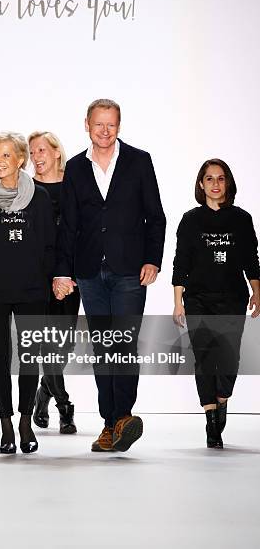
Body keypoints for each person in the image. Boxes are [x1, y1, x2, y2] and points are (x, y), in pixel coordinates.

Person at [54, 98, 166, 453]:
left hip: (131, 270)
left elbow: (156, 216)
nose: (105, 131)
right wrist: (63, 272)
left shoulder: (139, 161)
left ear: (120, 125)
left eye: (111, 125)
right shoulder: (74, 167)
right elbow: (68, 225)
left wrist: (153, 259)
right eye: (99, 124)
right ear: (86, 123)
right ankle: (111, 422)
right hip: (89, 272)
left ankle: (121, 416)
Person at [0, 132, 55, 454]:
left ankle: (25, 422)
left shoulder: (40, 198)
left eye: (6, 156)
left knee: (29, 357)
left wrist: (49, 280)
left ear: (20, 160)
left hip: (32, 290)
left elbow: (49, 246)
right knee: (0, 355)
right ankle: (6, 426)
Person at [172, 158, 260, 448]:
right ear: (201, 184)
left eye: (220, 179)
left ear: (228, 184)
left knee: (229, 358)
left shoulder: (241, 219)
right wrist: (178, 302)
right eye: (209, 179)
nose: (215, 184)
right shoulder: (190, 220)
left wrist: (256, 292)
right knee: (204, 358)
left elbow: (252, 261)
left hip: (232, 298)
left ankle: (222, 401)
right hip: (197, 299)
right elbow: (180, 263)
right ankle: (211, 418)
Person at [29, 131, 81, 434]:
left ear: (56, 152)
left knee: (63, 346)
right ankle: (64, 405)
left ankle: (43, 394)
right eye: (32, 152)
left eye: (41, 150)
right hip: (36, 278)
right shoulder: (27, 188)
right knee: (46, 346)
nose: (36, 156)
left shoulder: (73, 183)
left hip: (70, 277)